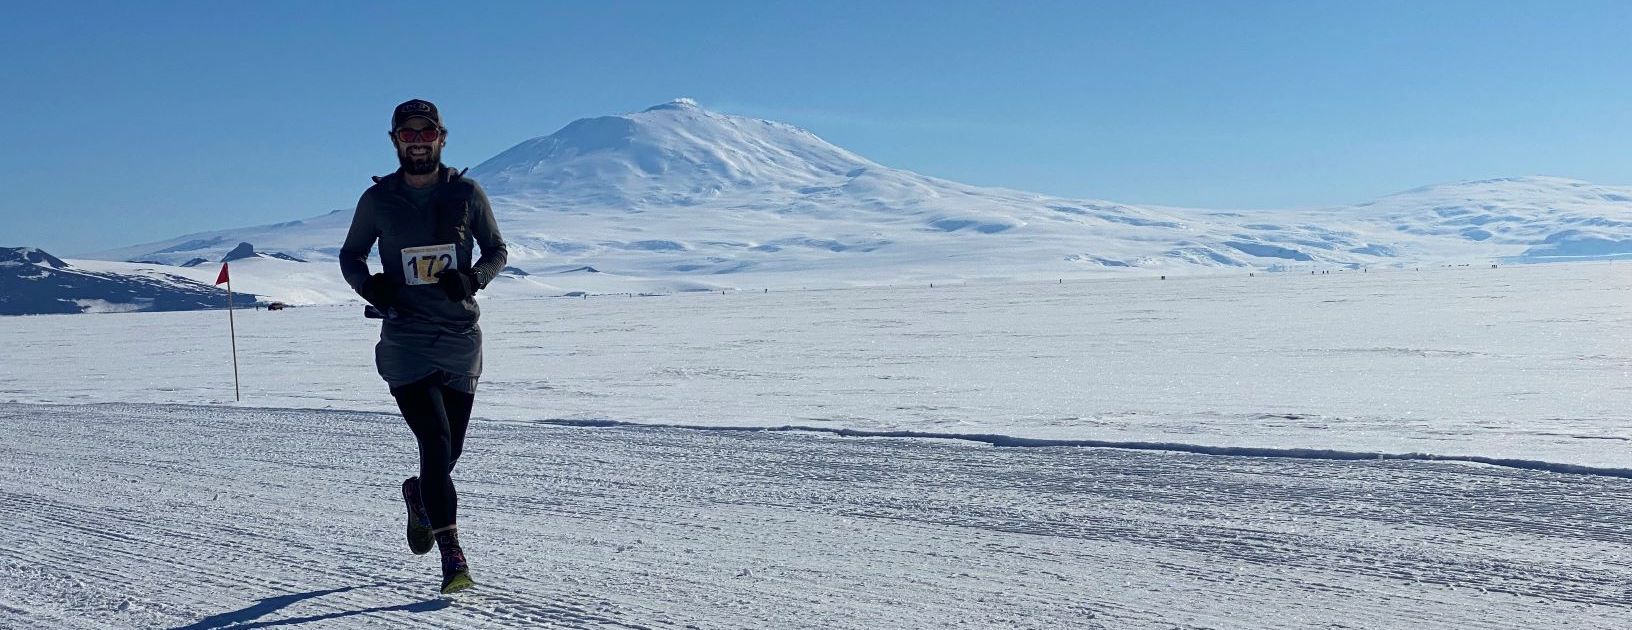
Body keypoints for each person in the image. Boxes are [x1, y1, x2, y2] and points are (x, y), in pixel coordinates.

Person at [338, 98, 507, 594]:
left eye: (425, 132)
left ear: (441, 138)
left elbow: (497, 250)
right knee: (433, 441)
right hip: (406, 340)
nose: (417, 140)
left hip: (458, 339)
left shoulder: (466, 193)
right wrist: (371, 287)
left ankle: (418, 495)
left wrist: (473, 279)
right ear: (395, 141)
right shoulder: (378, 201)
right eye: (407, 133)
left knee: (445, 455)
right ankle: (454, 557)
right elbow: (350, 255)